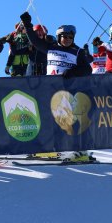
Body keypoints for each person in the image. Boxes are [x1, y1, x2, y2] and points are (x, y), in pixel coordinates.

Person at [20, 12, 93, 162]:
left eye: (70, 37)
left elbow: (87, 69)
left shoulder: (78, 51)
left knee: (70, 122)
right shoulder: (50, 47)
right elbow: (35, 41)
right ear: (59, 37)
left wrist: (73, 72)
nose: (67, 39)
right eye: (64, 37)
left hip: (68, 91)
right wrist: (27, 25)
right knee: (47, 120)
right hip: (50, 90)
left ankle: (80, 152)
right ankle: (50, 149)